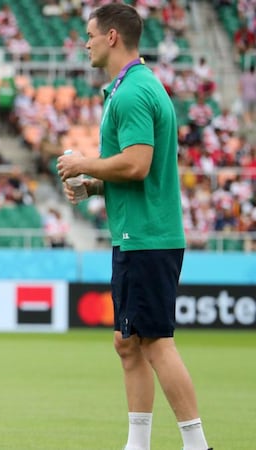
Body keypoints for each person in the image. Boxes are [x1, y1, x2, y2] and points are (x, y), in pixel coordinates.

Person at [56, 5, 211, 450]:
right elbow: (140, 170)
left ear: (110, 37)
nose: (83, 42)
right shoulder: (134, 87)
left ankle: (197, 444)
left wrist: (85, 162)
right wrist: (94, 186)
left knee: (156, 342)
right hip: (138, 233)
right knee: (127, 342)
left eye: (88, 34)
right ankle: (137, 445)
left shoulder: (131, 94)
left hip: (145, 237)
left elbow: (139, 164)